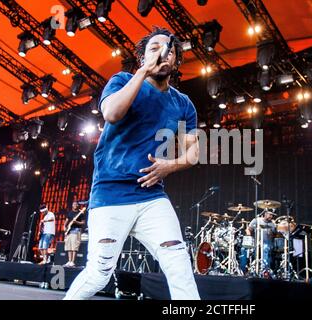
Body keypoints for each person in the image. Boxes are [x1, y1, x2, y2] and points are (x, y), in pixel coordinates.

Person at [64, 27, 200, 300]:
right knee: (99, 272)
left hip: (151, 196)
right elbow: (112, 114)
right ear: (141, 58)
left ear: (176, 61)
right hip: (111, 193)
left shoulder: (183, 104)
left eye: (169, 50)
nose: (163, 53)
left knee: (177, 260)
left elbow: (193, 152)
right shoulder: (122, 81)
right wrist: (142, 73)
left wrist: (169, 166)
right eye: (154, 49)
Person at [63, 201, 86, 267]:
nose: (75, 205)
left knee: (74, 246)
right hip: (69, 231)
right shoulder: (70, 213)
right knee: (69, 246)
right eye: (74, 204)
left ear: (78, 205)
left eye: (76, 204)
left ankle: (73, 262)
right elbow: (66, 221)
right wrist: (64, 226)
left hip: (76, 230)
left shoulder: (81, 213)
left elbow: (83, 223)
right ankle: (69, 261)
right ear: (72, 205)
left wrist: (76, 222)